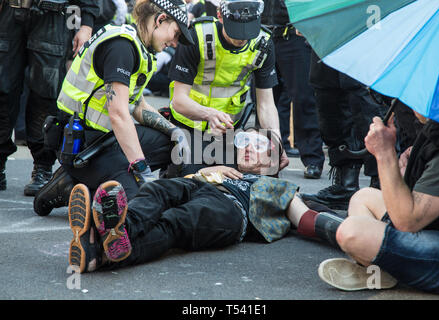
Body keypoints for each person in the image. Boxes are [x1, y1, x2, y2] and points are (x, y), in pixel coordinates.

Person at [65, 128, 345, 273]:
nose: (248, 147)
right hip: (203, 186)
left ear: (276, 160)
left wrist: (351, 235)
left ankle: (104, 252)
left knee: (175, 222)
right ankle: (118, 234)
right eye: (246, 140)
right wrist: (204, 173)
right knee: (159, 190)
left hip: (233, 211)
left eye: (260, 145)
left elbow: (307, 218)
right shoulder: (221, 169)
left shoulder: (279, 186)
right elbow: (178, 184)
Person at [33, 0, 195, 216]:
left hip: (107, 139)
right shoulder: (121, 47)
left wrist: (175, 131)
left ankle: (81, 182)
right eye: (175, 34)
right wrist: (141, 169)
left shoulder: (141, 47)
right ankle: (72, 185)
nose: (175, 43)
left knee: (173, 145)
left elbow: (137, 104)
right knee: (141, 206)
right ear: (160, 20)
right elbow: (118, 114)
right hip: (83, 145)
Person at [317, 114, 439, 296]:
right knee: (363, 197)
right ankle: (387, 269)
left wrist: (384, 153)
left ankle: (385, 268)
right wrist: (408, 167)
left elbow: (407, 221)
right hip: (438, 225)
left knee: (352, 233)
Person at [167, 0, 289, 175]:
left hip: (230, 130)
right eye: (236, 31)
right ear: (220, 16)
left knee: (261, 173)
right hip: (187, 126)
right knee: (191, 178)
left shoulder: (263, 42)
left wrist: (276, 142)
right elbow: (178, 100)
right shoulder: (197, 35)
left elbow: (266, 104)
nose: (242, 38)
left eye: (248, 31)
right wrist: (209, 114)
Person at [0, 0, 99, 194]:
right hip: (9, 12)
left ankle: (43, 167)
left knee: (45, 94)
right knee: (2, 91)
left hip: (54, 14)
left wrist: (86, 25)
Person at [301, 51, 387, 210]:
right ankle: (345, 185)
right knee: (328, 102)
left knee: (366, 103)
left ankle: (381, 186)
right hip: (326, 36)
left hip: (363, 35)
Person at [261, 0, 324, 179]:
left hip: (294, 34)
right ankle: (268, 157)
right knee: (267, 98)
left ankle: (312, 159)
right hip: (265, 32)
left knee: (304, 98)